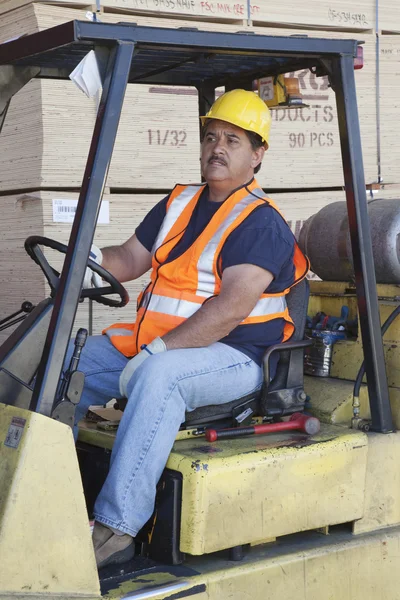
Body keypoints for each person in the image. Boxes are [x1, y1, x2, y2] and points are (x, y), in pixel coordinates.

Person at [69, 89, 309, 569]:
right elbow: (130, 259)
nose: (217, 148)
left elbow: (227, 311)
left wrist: (156, 353)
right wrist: (89, 260)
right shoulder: (179, 201)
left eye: (233, 140)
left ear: (257, 154)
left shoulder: (261, 223)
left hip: (237, 357)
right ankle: (49, 493)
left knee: (159, 379)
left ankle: (116, 528)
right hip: (157, 343)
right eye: (211, 137)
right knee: (62, 360)